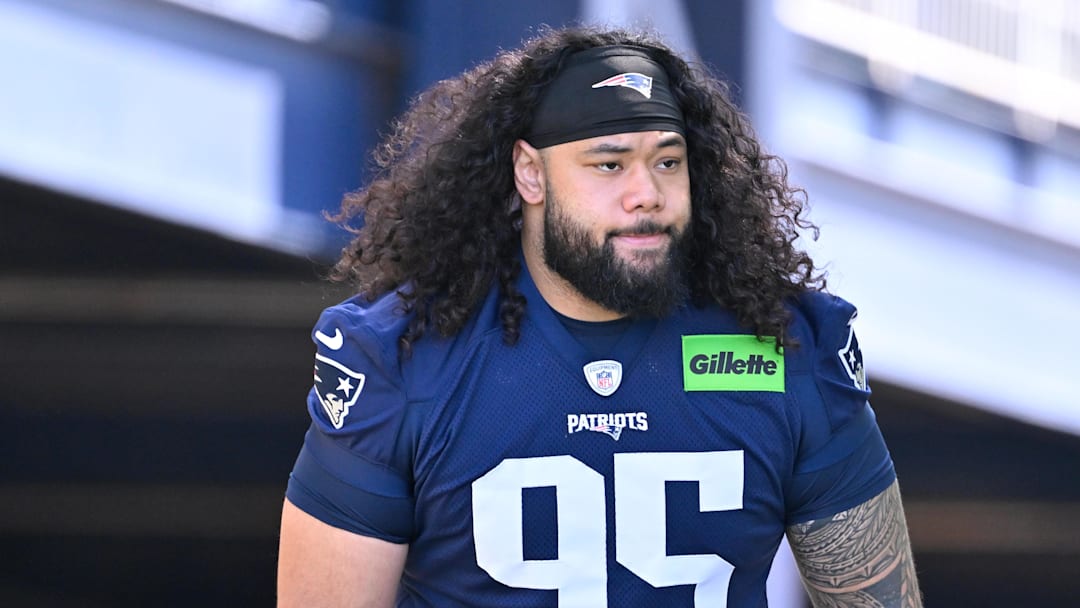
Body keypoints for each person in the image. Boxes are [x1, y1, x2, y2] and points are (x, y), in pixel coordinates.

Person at [277, 25, 923, 608]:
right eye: (608, 165)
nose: (647, 193)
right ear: (530, 174)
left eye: (668, 162)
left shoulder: (784, 348)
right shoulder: (402, 360)